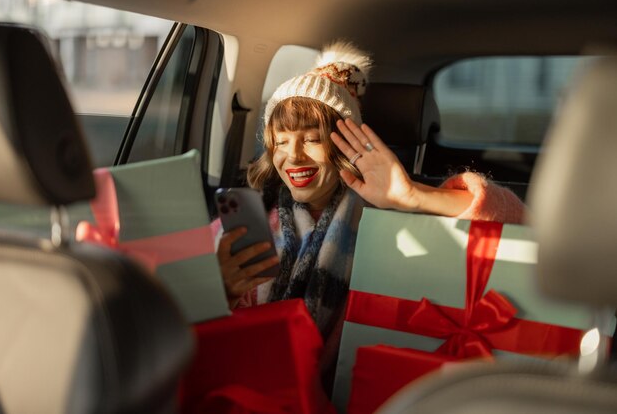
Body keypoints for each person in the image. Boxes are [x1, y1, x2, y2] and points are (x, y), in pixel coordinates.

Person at [215, 41, 525, 387]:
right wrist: (221, 291)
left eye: (312, 139)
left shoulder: (390, 216)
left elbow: (517, 225)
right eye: (281, 142)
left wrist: (412, 196)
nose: (294, 156)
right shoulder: (246, 221)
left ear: (345, 144)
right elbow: (207, 339)